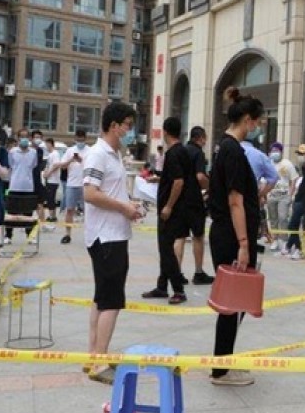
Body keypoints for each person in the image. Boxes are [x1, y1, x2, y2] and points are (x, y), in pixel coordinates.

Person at [83, 102, 145, 384]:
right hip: (106, 236)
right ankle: (99, 361)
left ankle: (93, 356)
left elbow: (108, 191)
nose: (130, 130)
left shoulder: (114, 153)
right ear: (114, 125)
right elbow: (90, 193)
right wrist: (123, 207)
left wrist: (128, 205)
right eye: (128, 125)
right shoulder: (99, 154)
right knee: (111, 301)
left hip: (113, 233)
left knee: (102, 298)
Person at [208, 86, 263, 386]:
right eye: (257, 121)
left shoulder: (226, 147)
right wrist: (243, 244)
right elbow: (235, 201)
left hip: (229, 232)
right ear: (247, 120)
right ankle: (220, 369)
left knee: (235, 302)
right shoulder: (231, 150)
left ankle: (224, 362)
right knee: (231, 304)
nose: (258, 126)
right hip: (231, 236)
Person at [143, 116, 191, 304]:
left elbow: (179, 182)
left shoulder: (173, 154)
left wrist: (168, 206)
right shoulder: (182, 151)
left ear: (165, 132)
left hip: (171, 210)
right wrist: (160, 178)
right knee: (166, 248)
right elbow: (175, 178)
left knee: (166, 249)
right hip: (179, 208)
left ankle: (179, 289)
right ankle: (162, 286)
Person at [176, 125, 213, 285]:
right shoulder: (198, 153)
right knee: (198, 236)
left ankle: (177, 273)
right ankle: (198, 272)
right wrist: (210, 186)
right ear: (200, 138)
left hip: (179, 199)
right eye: (205, 138)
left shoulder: (181, 151)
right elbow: (200, 177)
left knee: (180, 237)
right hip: (194, 199)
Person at [51, 130, 88, 245]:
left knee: (88, 211)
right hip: (72, 184)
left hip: (86, 184)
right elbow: (62, 167)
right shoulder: (70, 150)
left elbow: (92, 166)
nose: (80, 142)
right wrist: (71, 160)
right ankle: (67, 234)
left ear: (85, 139)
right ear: (75, 139)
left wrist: (81, 161)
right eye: (78, 140)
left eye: (82, 140)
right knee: (70, 209)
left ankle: (90, 234)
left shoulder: (90, 151)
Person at [3, 128, 38, 244]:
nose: (24, 139)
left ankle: (29, 235)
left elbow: (33, 165)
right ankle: (8, 235)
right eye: (22, 136)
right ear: (18, 139)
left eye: (26, 136)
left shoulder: (33, 152)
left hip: (28, 186)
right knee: (11, 213)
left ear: (29, 138)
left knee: (28, 213)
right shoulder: (12, 152)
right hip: (14, 185)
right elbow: (11, 165)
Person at [266, 142, 297, 251]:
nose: (274, 153)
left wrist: (290, 194)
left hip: (284, 195)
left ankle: (283, 240)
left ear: (281, 152)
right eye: (273, 151)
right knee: (273, 218)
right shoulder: (268, 164)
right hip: (272, 194)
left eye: (277, 151)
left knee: (283, 218)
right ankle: (274, 240)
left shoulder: (287, 164)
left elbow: (293, 179)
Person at [30, 130, 48, 227]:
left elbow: (40, 165)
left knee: (40, 202)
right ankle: (26, 222)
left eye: (39, 137)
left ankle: (43, 223)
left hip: (37, 179)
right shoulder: (27, 150)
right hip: (28, 179)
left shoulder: (40, 151)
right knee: (27, 202)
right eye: (36, 137)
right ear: (31, 138)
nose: (38, 139)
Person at [41, 138, 60, 222]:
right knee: (50, 198)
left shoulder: (55, 154)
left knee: (50, 198)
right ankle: (53, 215)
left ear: (50, 144)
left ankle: (52, 216)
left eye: (46, 144)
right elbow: (48, 166)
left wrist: (48, 173)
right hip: (49, 179)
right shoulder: (50, 154)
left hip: (53, 180)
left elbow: (56, 165)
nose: (46, 147)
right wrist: (45, 172)